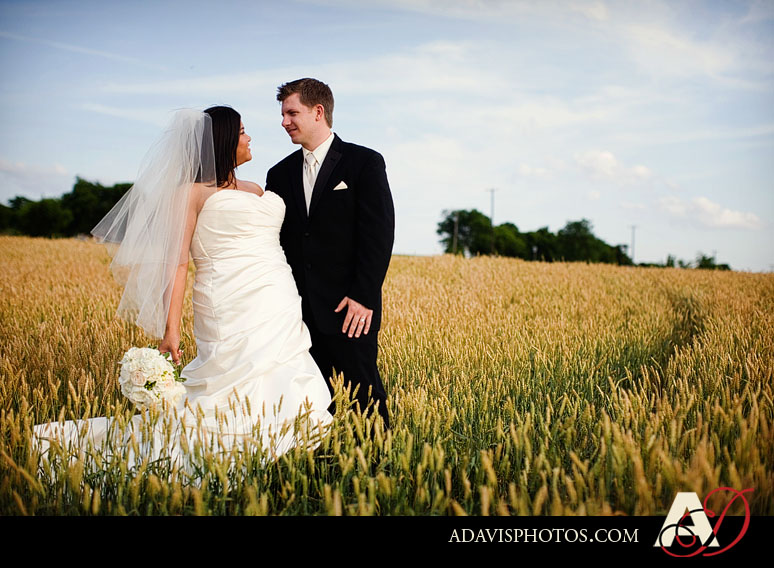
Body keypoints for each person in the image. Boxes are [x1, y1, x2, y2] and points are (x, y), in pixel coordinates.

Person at [33, 106, 332, 466]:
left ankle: (282, 450)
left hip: (278, 296)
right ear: (220, 142)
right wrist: (170, 329)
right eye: (241, 132)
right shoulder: (190, 194)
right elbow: (177, 263)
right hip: (228, 299)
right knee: (229, 379)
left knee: (284, 369)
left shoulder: (257, 187)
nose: (249, 138)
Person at [265, 78, 395, 429]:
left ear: (318, 111)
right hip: (296, 312)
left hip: (350, 309)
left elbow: (378, 235)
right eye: (283, 114)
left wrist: (363, 297)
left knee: (364, 395)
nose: (284, 122)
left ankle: (379, 468)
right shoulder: (278, 174)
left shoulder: (364, 162)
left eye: (292, 113)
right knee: (312, 401)